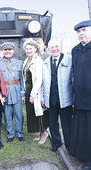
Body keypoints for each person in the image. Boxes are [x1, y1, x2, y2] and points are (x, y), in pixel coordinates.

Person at [41, 39, 73, 152]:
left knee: (67, 124)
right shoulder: (45, 62)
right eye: (52, 48)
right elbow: (41, 82)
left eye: (56, 46)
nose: (54, 49)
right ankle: (56, 142)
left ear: (60, 47)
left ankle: (70, 145)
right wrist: (42, 98)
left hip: (65, 99)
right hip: (51, 99)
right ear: (48, 50)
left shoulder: (69, 60)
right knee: (53, 123)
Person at [69, 20, 91, 170]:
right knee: (83, 130)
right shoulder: (75, 50)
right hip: (80, 98)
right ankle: (83, 154)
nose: (81, 33)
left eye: (84, 30)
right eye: (78, 31)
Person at [0, 42, 25, 143]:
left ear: (13, 51)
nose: (7, 52)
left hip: (16, 91)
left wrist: (22, 94)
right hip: (5, 92)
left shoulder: (19, 62)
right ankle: (10, 134)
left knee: (19, 114)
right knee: (7, 115)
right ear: (3, 51)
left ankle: (20, 133)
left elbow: (22, 80)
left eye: (9, 50)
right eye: (5, 50)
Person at [23, 39, 49, 144]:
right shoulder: (27, 60)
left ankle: (44, 134)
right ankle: (39, 133)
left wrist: (33, 95)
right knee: (33, 113)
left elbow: (39, 79)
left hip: (35, 89)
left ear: (35, 49)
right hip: (28, 88)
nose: (28, 50)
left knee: (39, 113)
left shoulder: (38, 61)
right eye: (27, 49)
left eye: (31, 48)